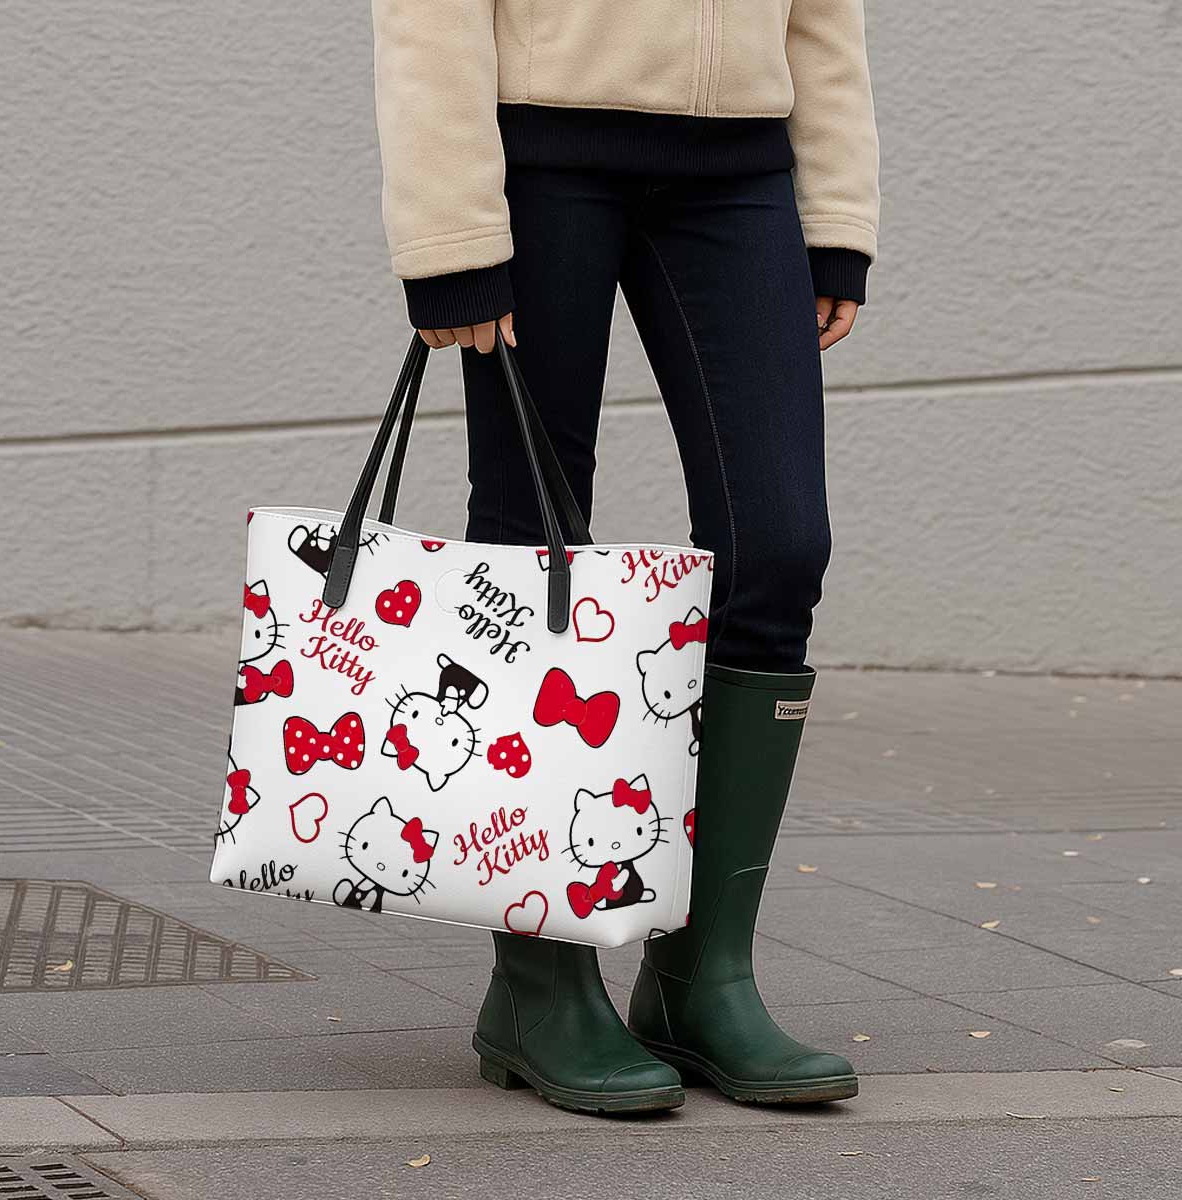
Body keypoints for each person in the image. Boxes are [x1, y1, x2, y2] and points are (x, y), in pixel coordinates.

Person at [370, 0, 880, 1114]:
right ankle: (540, 987)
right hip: (541, 160)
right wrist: (452, 234)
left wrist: (835, 209)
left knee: (781, 546)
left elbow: (824, 15)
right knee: (533, 559)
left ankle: (703, 980)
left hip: (742, 172)